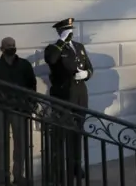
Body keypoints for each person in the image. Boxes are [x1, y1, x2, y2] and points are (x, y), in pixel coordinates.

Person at [44, 18, 93, 179]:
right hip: (63, 94)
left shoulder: (79, 47)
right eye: (66, 31)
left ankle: (75, 165)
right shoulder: (53, 48)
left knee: (77, 132)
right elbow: (51, 59)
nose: (70, 33)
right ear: (60, 32)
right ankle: (57, 168)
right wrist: (61, 41)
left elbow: (89, 67)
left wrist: (86, 74)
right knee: (60, 133)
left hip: (79, 94)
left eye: (71, 30)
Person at [0, 37, 36, 184]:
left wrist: (30, 104)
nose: (11, 48)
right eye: (8, 46)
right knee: (1, 143)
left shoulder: (24, 65)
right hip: (1, 109)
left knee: (20, 143)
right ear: (2, 48)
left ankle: (18, 175)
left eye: (13, 45)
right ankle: (3, 176)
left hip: (19, 108)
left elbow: (31, 86)